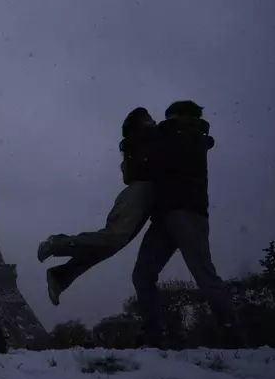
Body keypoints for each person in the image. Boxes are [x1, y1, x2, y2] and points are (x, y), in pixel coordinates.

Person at [132, 100, 244, 348]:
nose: (167, 120)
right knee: (142, 274)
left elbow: (167, 154)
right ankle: (153, 334)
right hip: (164, 216)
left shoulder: (193, 138)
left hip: (186, 213)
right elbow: (149, 166)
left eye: (171, 116)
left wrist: (152, 134)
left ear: (184, 117)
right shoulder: (173, 138)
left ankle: (233, 336)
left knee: (204, 275)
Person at [37, 107, 158, 305]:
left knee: (111, 245)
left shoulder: (144, 141)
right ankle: (57, 244)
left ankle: (62, 275)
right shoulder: (151, 138)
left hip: (151, 196)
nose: (153, 121)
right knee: (113, 239)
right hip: (144, 191)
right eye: (148, 119)